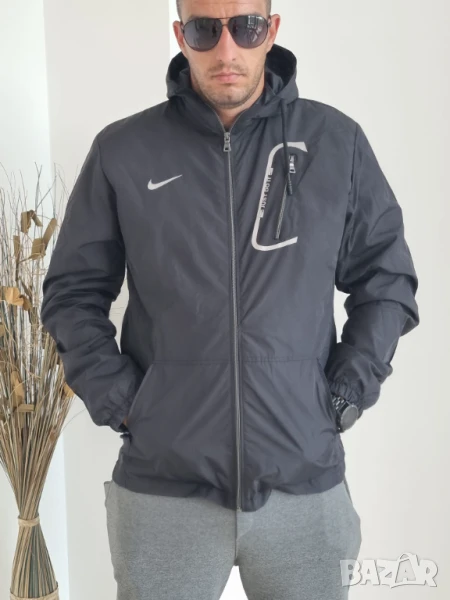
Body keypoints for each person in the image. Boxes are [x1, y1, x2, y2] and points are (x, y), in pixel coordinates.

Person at [40, 0, 420, 598]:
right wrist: (125, 403)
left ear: (271, 30)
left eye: (245, 27)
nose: (226, 50)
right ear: (180, 35)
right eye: (204, 30)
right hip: (165, 491)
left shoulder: (336, 142)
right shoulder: (124, 149)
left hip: (304, 486)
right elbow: (72, 292)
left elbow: (387, 279)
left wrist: (345, 393)